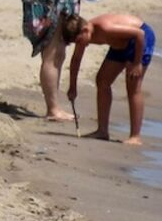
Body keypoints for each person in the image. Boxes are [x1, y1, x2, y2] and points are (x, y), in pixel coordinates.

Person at [60, 12, 153, 146]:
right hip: (119, 45)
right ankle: (102, 131)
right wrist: (72, 87)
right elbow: (76, 60)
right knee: (102, 80)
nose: (79, 44)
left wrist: (137, 63)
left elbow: (139, 34)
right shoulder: (84, 35)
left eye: (79, 41)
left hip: (140, 40)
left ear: (85, 30)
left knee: (133, 86)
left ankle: (135, 136)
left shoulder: (105, 27)